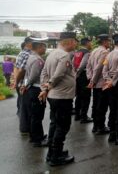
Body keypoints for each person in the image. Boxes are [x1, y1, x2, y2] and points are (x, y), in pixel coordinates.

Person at [39, 32, 77, 166]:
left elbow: (44, 72)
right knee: (62, 126)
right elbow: (59, 74)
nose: (76, 44)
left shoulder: (52, 53)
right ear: (69, 41)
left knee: (55, 124)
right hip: (62, 97)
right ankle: (56, 157)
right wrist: (49, 85)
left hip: (54, 96)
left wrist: (45, 89)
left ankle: (52, 153)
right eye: (75, 41)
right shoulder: (64, 55)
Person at [20, 38, 48, 147]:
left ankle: (36, 136)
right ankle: (37, 139)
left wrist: (25, 85)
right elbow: (33, 76)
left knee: (34, 115)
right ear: (40, 47)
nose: (45, 49)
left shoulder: (31, 57)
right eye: (44, 46)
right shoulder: (37, 60)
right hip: (36, 89)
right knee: (37, 115)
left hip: (31, 88)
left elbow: (27, 75)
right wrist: (26, 85)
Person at [87, 34, 111, 134]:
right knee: (102, 106)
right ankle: (100, 127)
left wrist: (90, 78)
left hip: (95, 82)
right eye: (108, 41)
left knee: (96, 105)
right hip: (101, 82)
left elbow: (88, 66)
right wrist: (93, 80)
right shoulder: (104, 52)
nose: (109, 43)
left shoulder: (94, 51)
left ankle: (95, 126)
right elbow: (99, 68)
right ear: (105, 42)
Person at [14, 37, 33, 131]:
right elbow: (22, 71)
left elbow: (16, 68)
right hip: (24, 84)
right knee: (26, 108)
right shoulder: (28, 54)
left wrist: (16, 82)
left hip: (20, 84)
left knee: (22, 106)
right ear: (28, 43)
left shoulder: (21, 53)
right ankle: (25, 129)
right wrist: (18, 82)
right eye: (33, 42)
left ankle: (24, 127)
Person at [73, 37, 93, 123]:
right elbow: (83, 65)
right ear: (87, 43)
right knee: (86, 97)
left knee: (79, 96)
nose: (91, 44)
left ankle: (77, 115)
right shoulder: (87, 52)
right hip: (84, 75)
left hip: (77, 76)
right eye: (90, 43)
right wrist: (78, 73)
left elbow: (73, 63)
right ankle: (84, 116)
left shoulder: (77, 52)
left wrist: (75, 74)